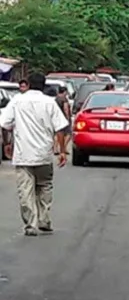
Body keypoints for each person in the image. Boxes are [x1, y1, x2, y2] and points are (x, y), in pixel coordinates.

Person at [0, 73, 69, 236]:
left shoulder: (17, 101)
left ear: (28, 84)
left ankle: (30, 224)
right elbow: (59, 128)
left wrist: (7, 144)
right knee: (44, 185)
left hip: (23, 154)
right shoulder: (49, 103)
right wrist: (62, 151)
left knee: (25, 190)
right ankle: (44, 219)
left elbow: (4, 124)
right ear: (44, 86)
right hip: (44, 154)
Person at [55, 86, 72, 154]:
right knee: (69, 133)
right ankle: (63, 147)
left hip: (56, 118)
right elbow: (66, 109)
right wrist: (67, 117)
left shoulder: (56, 99)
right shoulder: (64, 99)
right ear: (64, 91)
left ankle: (55, 149)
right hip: (64, 118)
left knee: (57, 134)